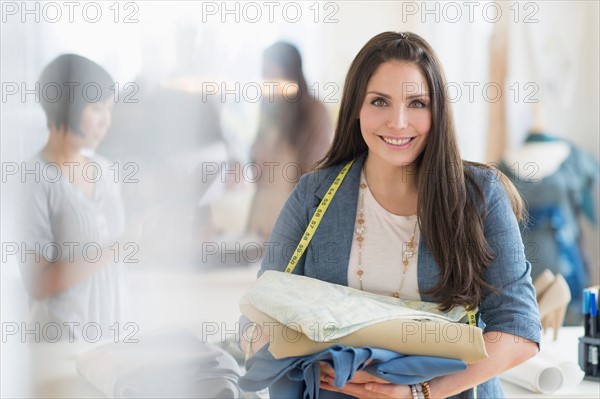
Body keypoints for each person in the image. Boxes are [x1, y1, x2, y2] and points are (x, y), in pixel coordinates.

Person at [243, 32, 541, 398]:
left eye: (417, 103)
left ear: (438, 110)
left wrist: (421, 392)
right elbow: (261, 307)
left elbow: (519, 329)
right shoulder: (313, 194)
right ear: (356, 107)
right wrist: (276, 347)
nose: (398, 122)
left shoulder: (479, 197)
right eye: (380, 101)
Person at [17, 54, 137, 340]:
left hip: (113, 341)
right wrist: (116, 249)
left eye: (109, 109)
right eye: (96, 109)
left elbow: (118, 255)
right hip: (61, 345)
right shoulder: (34, 178)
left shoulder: (106, 172)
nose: (106, 122)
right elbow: (37, 282)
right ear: (66, 106)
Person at [247, 41, 332, 241]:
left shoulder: (313, 111)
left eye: (270, 71)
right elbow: (257, 170)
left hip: (291, 217)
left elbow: (315, 173)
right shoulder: (267, 106)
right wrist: (255, 157)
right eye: (264, 73)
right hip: (261, 215)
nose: (265, 78)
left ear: (289, 71)